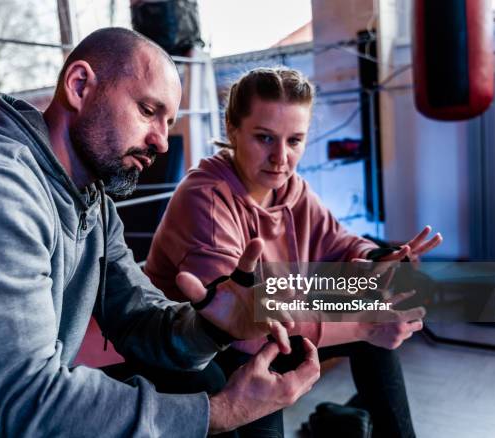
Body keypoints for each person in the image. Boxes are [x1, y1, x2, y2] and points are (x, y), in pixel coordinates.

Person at [0, 29, 321, 437]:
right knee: (208, 405)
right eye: (148, 111)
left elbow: (138, 322)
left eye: (295, 140)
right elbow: (28, 401)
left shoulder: (91, 200)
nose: (162, 142)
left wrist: (216, 328)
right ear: (80, 86)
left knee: (200, 383)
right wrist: (222, 412)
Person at [145, 67, 443, 437]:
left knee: (377, 323)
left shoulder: (291, 190)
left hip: (271, 325)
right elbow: (240, 324)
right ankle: (333, 422)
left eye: (294, 140)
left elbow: (339, 243)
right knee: (356, 330)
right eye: (265, 138)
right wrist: (364, 323)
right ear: (232, 130)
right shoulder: (205, 199)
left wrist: (377, 259)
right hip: (208, 345)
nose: (281, 158)